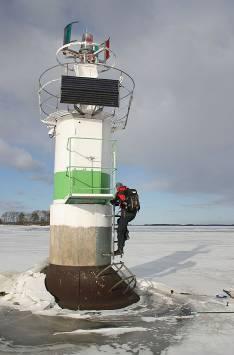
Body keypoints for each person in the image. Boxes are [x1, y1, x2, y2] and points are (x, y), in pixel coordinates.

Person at [110, 182, 140, 255]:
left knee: (120, 231)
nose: (116, 189)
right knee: (119, 220)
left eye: (116, 188)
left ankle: (120, 250)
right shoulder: (130, 191)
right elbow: (122, 202)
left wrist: (111, 201)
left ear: (117, 187)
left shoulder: (119, 192)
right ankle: (126, 234)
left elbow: (114, 202)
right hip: (133, 214)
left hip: (126, 214)